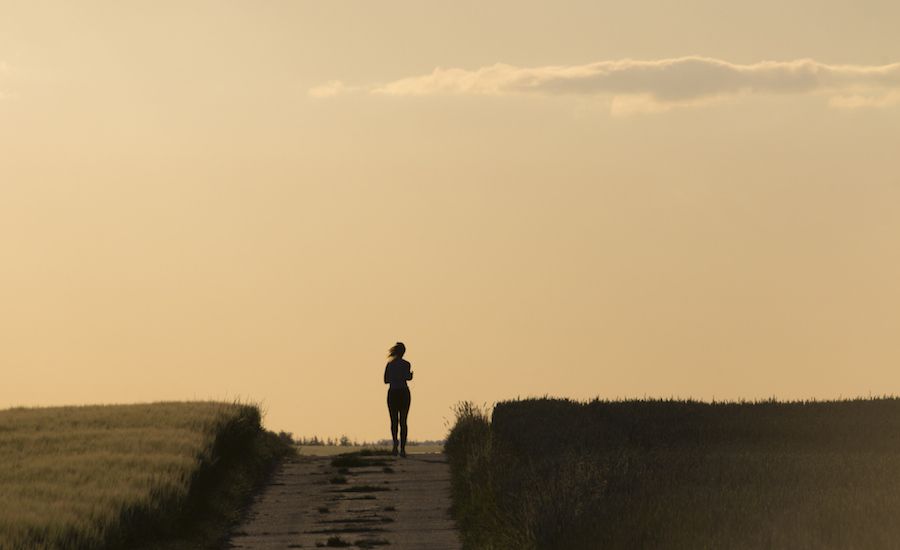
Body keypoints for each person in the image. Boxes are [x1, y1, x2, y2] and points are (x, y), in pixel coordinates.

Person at [383, 342, 413, 457]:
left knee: (394, 420)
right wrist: (409, 376)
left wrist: (394, 377)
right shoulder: (406, 364)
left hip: (393, 392)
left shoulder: (390, 364)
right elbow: (407, 377)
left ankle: (395, 444)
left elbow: (385, 380)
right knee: (404, 421)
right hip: (403, 392)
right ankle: (403, 448)